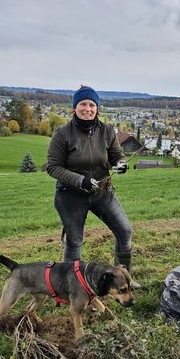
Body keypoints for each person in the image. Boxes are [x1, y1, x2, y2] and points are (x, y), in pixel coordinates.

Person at [46, 85, 134, 273]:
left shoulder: (107, 131)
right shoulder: (63, 133)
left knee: (125, 231)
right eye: (83, 104)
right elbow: (53, 167)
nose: (87, 108)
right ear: (74, 108)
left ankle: (124, 278)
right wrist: (80, 180)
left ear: (97, 108)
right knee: (75, 242)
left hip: (102, 192)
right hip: (71, 196)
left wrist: (121, 164)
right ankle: (71, 286)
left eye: (92, 104)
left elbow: (117, 155)